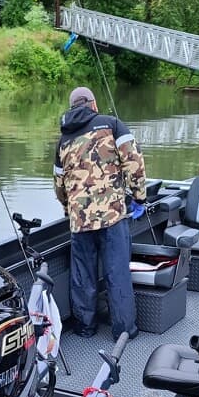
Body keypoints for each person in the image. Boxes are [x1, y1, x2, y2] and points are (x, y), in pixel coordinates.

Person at [53, 86, 147, 340]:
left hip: (79, 221)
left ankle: (85, 328)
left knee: (82, 276)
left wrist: (69, 209)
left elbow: (59, 185)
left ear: (73, 107)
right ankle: (124, 330)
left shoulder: (64, 140)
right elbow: (134, 164)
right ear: (93, 105)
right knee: (116, 272)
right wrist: (139, 197)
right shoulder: (112, 125)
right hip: (112, 216)